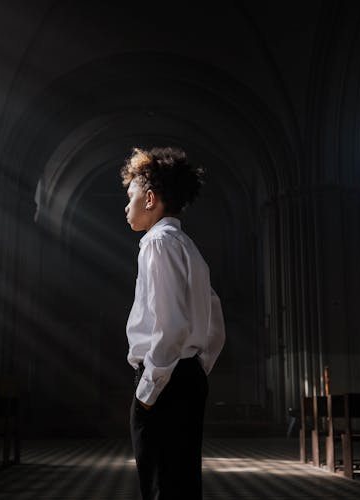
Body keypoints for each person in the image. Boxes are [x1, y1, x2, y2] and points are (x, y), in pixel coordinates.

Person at [121, 146, 225, 500]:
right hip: (185, 376)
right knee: (182, 484)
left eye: (130, 196)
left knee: (161, 487)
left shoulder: (157, 244)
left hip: (164, 382)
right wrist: (197, 366)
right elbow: (214, 320)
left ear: (150, 199)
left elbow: (171, 325)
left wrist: (148, 392)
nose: (126, 206)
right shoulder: (187, 246)